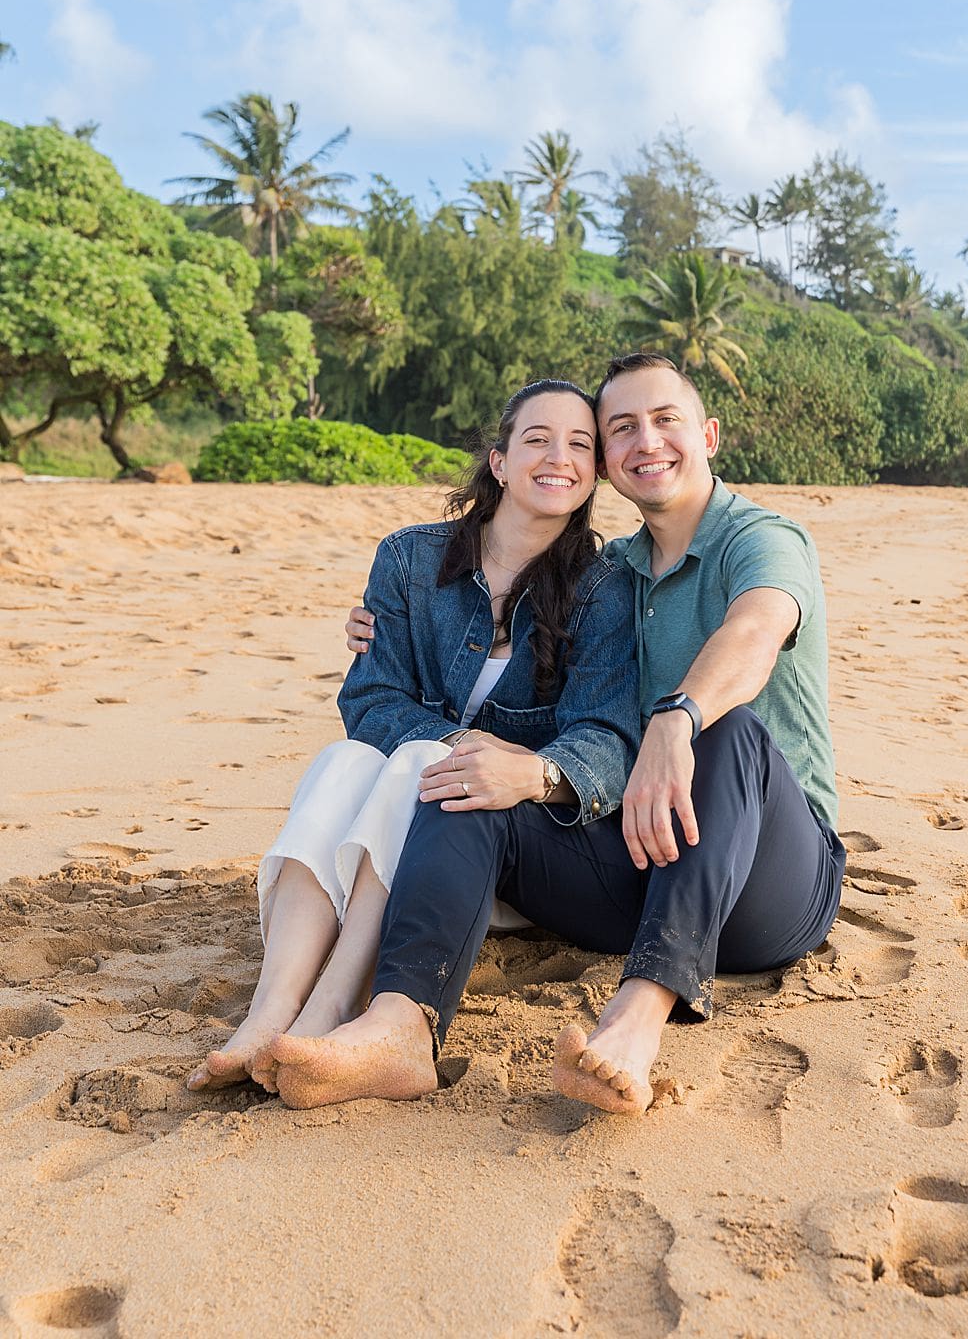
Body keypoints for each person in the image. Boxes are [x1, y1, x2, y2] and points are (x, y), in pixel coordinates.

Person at [266, 354, 845, 1116]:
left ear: (707, 434)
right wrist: (405, 647)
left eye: (666, 420)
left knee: (727, 734)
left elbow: (757, 629)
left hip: (769, 881)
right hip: (644, 863)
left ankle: (636, 1022)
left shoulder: (759, 538)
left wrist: (679, 718)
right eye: (622, 429)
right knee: (470, 777)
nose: (648, 441)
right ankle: (400, 1025)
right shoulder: (611, 574)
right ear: (608, 461)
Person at [186, 378, 640, 1095]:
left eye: (580, 445)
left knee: (419, 755)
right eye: (538, 440)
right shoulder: (408, 561)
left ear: (597, 472)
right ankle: (269, 1011)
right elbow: (369, 698)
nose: (560, 457)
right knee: (346, 757)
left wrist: (528, 772)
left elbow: (606, 740)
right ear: (498, 460)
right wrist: (468, 749)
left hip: (492, 855)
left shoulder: (604, 586)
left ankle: (334, 1000)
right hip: (411, 822)